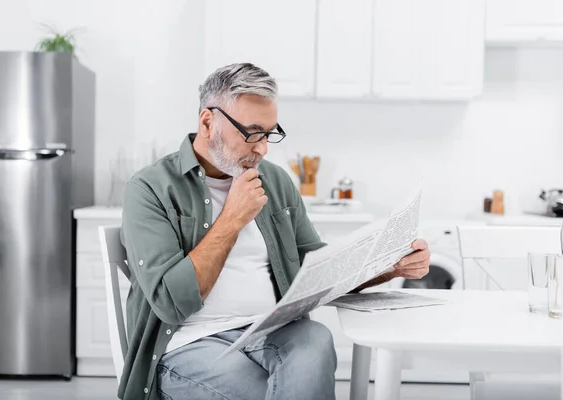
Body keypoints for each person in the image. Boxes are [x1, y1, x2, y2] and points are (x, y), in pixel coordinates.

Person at [119, 63, 431, 400]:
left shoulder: (276, 181)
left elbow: (316, 268)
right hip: (189, 343)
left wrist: (387, 266)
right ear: (208, 122)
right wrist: (233, 218)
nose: (263, 148)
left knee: (317, 338)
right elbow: (169, 303)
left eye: (269, 133)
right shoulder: (150, 188)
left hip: (271, 330)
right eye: (252, 132)